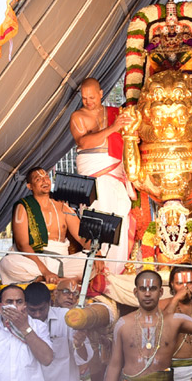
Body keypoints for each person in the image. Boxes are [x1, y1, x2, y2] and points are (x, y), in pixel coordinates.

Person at [70, 77, 134, 273]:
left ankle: (116, 270)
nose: (88, 102)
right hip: (95, 173)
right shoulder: (78, 116)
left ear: (101, 93)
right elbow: (84, 143)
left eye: (92, 97)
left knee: (121, 216)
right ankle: (101, 270)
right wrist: (114, 128)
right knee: (99, 217)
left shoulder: (115, 113)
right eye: (84, 98)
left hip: (116, 172)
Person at [0, 167, 87, 285]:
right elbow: (22, 244)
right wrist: (45, 272)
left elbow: (82, 236)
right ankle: (49, 279)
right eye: (38, 179)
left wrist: (97, 254)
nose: (45, 181)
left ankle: (49, 279)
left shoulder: (63, 207)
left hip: (62, 262)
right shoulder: (23, 207)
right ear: (30, 186)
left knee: (90, 261)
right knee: (7, 263)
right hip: (34, 262)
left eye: (46, 177)